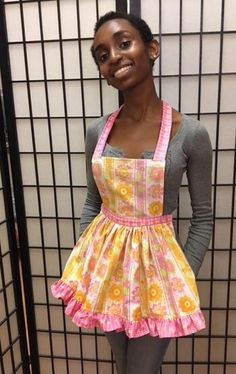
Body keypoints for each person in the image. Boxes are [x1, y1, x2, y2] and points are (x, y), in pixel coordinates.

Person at [51, 11, 213, 374]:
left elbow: (203, 216)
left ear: (151, 48)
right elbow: (93, 202)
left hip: (158, 276)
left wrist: (181, 274)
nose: (113, 58)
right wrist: (89, 258)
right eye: (102, 55)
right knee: (125, 366)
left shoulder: (191, 134)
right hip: (106, 272)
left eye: (124, 43)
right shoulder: (98, 133)